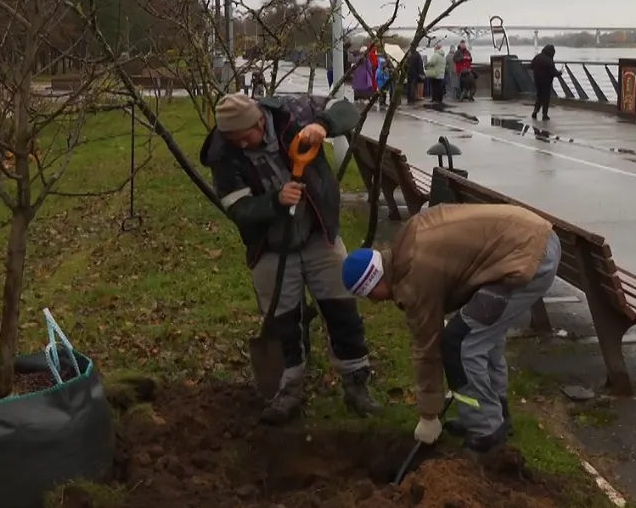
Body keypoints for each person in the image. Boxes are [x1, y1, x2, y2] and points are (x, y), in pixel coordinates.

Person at [200, 93, 382, 423]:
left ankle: (357, 385)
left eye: (246, 138)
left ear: (259, 122)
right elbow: (237, 208)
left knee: (341, 308)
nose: (241, 145)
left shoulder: (293, 112)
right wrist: (274, 201)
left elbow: (346, 108)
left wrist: (322, 125)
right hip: (270, 245)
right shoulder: (223, 152)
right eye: (233, 140)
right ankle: (289, 389)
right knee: (282, 321)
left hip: (318, 233)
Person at [340, 204, 561, 453]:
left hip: (528, 256)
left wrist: (428, 416)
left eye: (370, 294)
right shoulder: (405, 248)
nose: (374, 301)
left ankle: (485, 432)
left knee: (461, 343)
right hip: (527, 240)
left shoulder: (414, 279)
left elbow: (428, 348)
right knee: (481, 338)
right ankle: (495, 415)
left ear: (375, 279)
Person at [529, 44, 564, 120]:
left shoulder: (537, 57)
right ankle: (544, 115)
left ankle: (535, 112)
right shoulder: (549, 60)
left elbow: (531, 66)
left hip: (537, 80)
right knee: (546, 98)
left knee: (539, 96)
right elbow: (553, 72)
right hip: (546, 82)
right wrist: (560, 73)